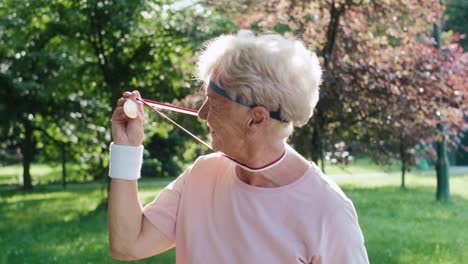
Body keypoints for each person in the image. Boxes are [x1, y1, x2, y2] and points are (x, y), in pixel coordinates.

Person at [108, 30, 369, 263]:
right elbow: (128, 245)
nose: (201, 113)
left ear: (256, 118)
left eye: (215, 104)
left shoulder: (328, 211)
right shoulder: (201, 175)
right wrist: (126, 150)